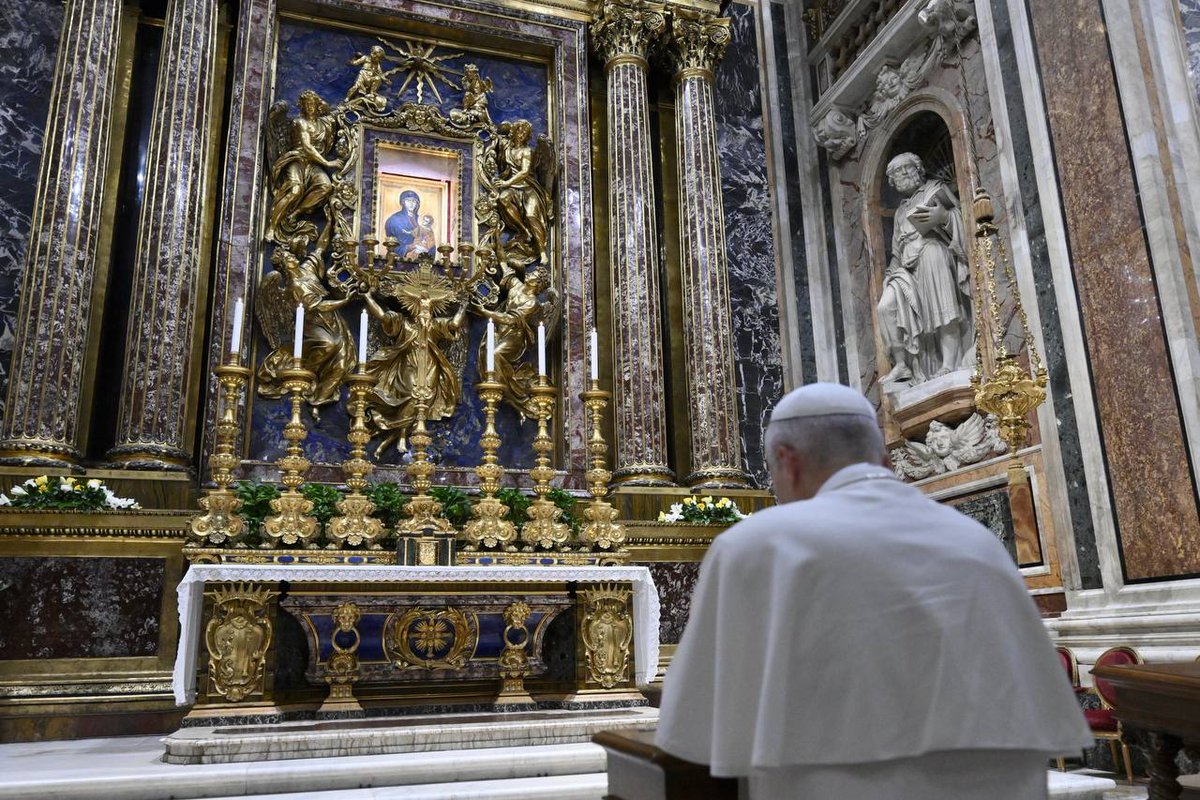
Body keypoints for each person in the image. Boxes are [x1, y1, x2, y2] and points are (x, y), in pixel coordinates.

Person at [656, 383, 1091, 799]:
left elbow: (693, 731)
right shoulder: (977, 542)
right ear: (884, 459)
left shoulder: (756, 546)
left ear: (787, 461)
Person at [877, 152, 973, 385]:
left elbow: (963, 220)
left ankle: (949, 361)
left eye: (905, 169)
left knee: (941, 305)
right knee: (885, 306)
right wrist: (890, 274)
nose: (902, 175)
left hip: (933, 252)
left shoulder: (934, 189)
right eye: (895, 173)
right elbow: (896, 253)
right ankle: (902, 364)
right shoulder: (900, 211)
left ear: (917, 169)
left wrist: (943, 217)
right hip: (907, 268)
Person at [386, 190, 421, 256]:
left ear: (417, 204)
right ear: (403, 203)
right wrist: (409, 247)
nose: (411, 204)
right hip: (397, 259)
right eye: (408, 201)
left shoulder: (417, 219)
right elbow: (392, 243)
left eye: (413, 201)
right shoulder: (395, 219)